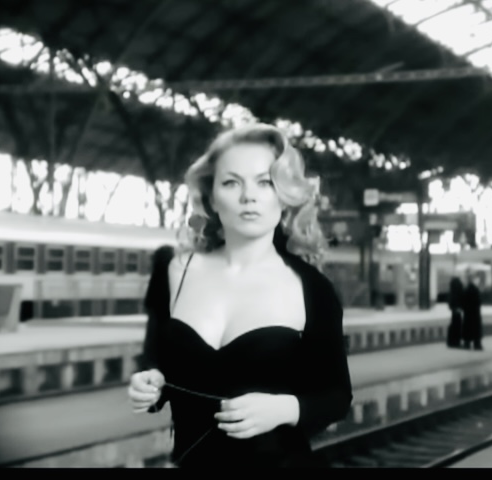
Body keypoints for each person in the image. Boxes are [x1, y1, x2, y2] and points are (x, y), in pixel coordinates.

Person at [126, 123, 353, 468]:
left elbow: (337, 396)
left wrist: (285, 408)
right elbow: (155, 362)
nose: (249, 196)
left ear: (285, 195)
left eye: (265, 182)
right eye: (232, 183)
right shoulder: (173, 273)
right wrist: (150, 383)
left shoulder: (312, 288)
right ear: (211, 197)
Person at [462, 270, 483, 351]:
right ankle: (477, 344)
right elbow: (479, 302)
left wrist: (465, 309)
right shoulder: (476, 290)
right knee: (476, 330)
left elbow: (463, 302)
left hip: (468, 314)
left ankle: (467, 344)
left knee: (468, 329)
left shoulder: (466, 289)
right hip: (475, 313)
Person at [446, 276, 464, 348]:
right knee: (458, 325)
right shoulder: (459, 289)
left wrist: (453, 307)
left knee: (454, 325)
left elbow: (450, 302)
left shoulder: (452, 290)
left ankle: (452, 341)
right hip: (457, 309)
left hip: (454, 310)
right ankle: (456, 341)